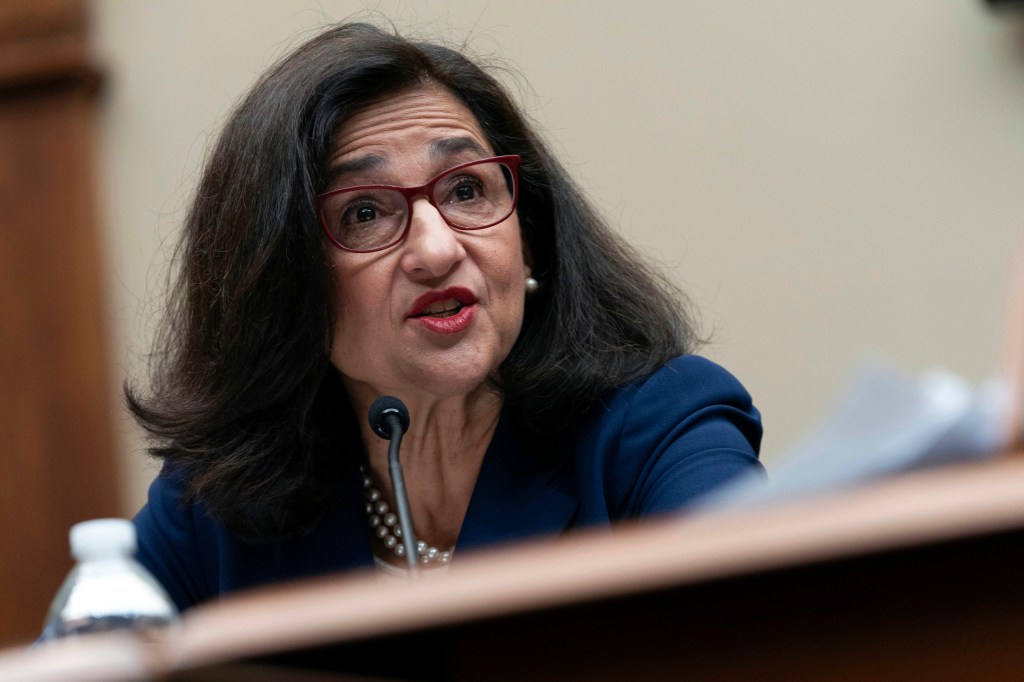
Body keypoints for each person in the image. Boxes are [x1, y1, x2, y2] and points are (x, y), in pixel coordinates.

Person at [129, 22, 764, 611]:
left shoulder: (660, 429)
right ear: (282, 283)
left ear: (530, 236)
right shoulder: (215, 503)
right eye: (365, 212)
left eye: (465, 190)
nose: (436, 250)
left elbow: (769, 636)